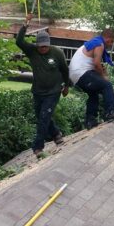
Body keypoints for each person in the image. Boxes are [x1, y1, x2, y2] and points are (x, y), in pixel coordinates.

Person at [16, 17, 70, 157]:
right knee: (41, 117)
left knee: (44, 117)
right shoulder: (32, 51)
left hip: (54, 91)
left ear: (49, 44)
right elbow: (19, 41)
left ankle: (38, 147)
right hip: (38, 91)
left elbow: (64, 70)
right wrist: (25, 24)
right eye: (41, 46)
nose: (43, 48)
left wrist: (66, 86)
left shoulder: (57, 53)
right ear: (37, 45)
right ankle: (56, 134)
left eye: (45, 46)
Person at [68, 28, 114, 129]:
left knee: (93, 94)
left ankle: (90, 120)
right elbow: (96, 64)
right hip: (81, 73)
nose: (111, 44)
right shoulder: (99, 44)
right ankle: (110, 112)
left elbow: (94, 64)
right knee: (107, 86)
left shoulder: (94, 42)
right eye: (111, 42)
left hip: (75, 75)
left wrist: (102, 71)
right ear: (108, 38)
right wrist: (104, 77)